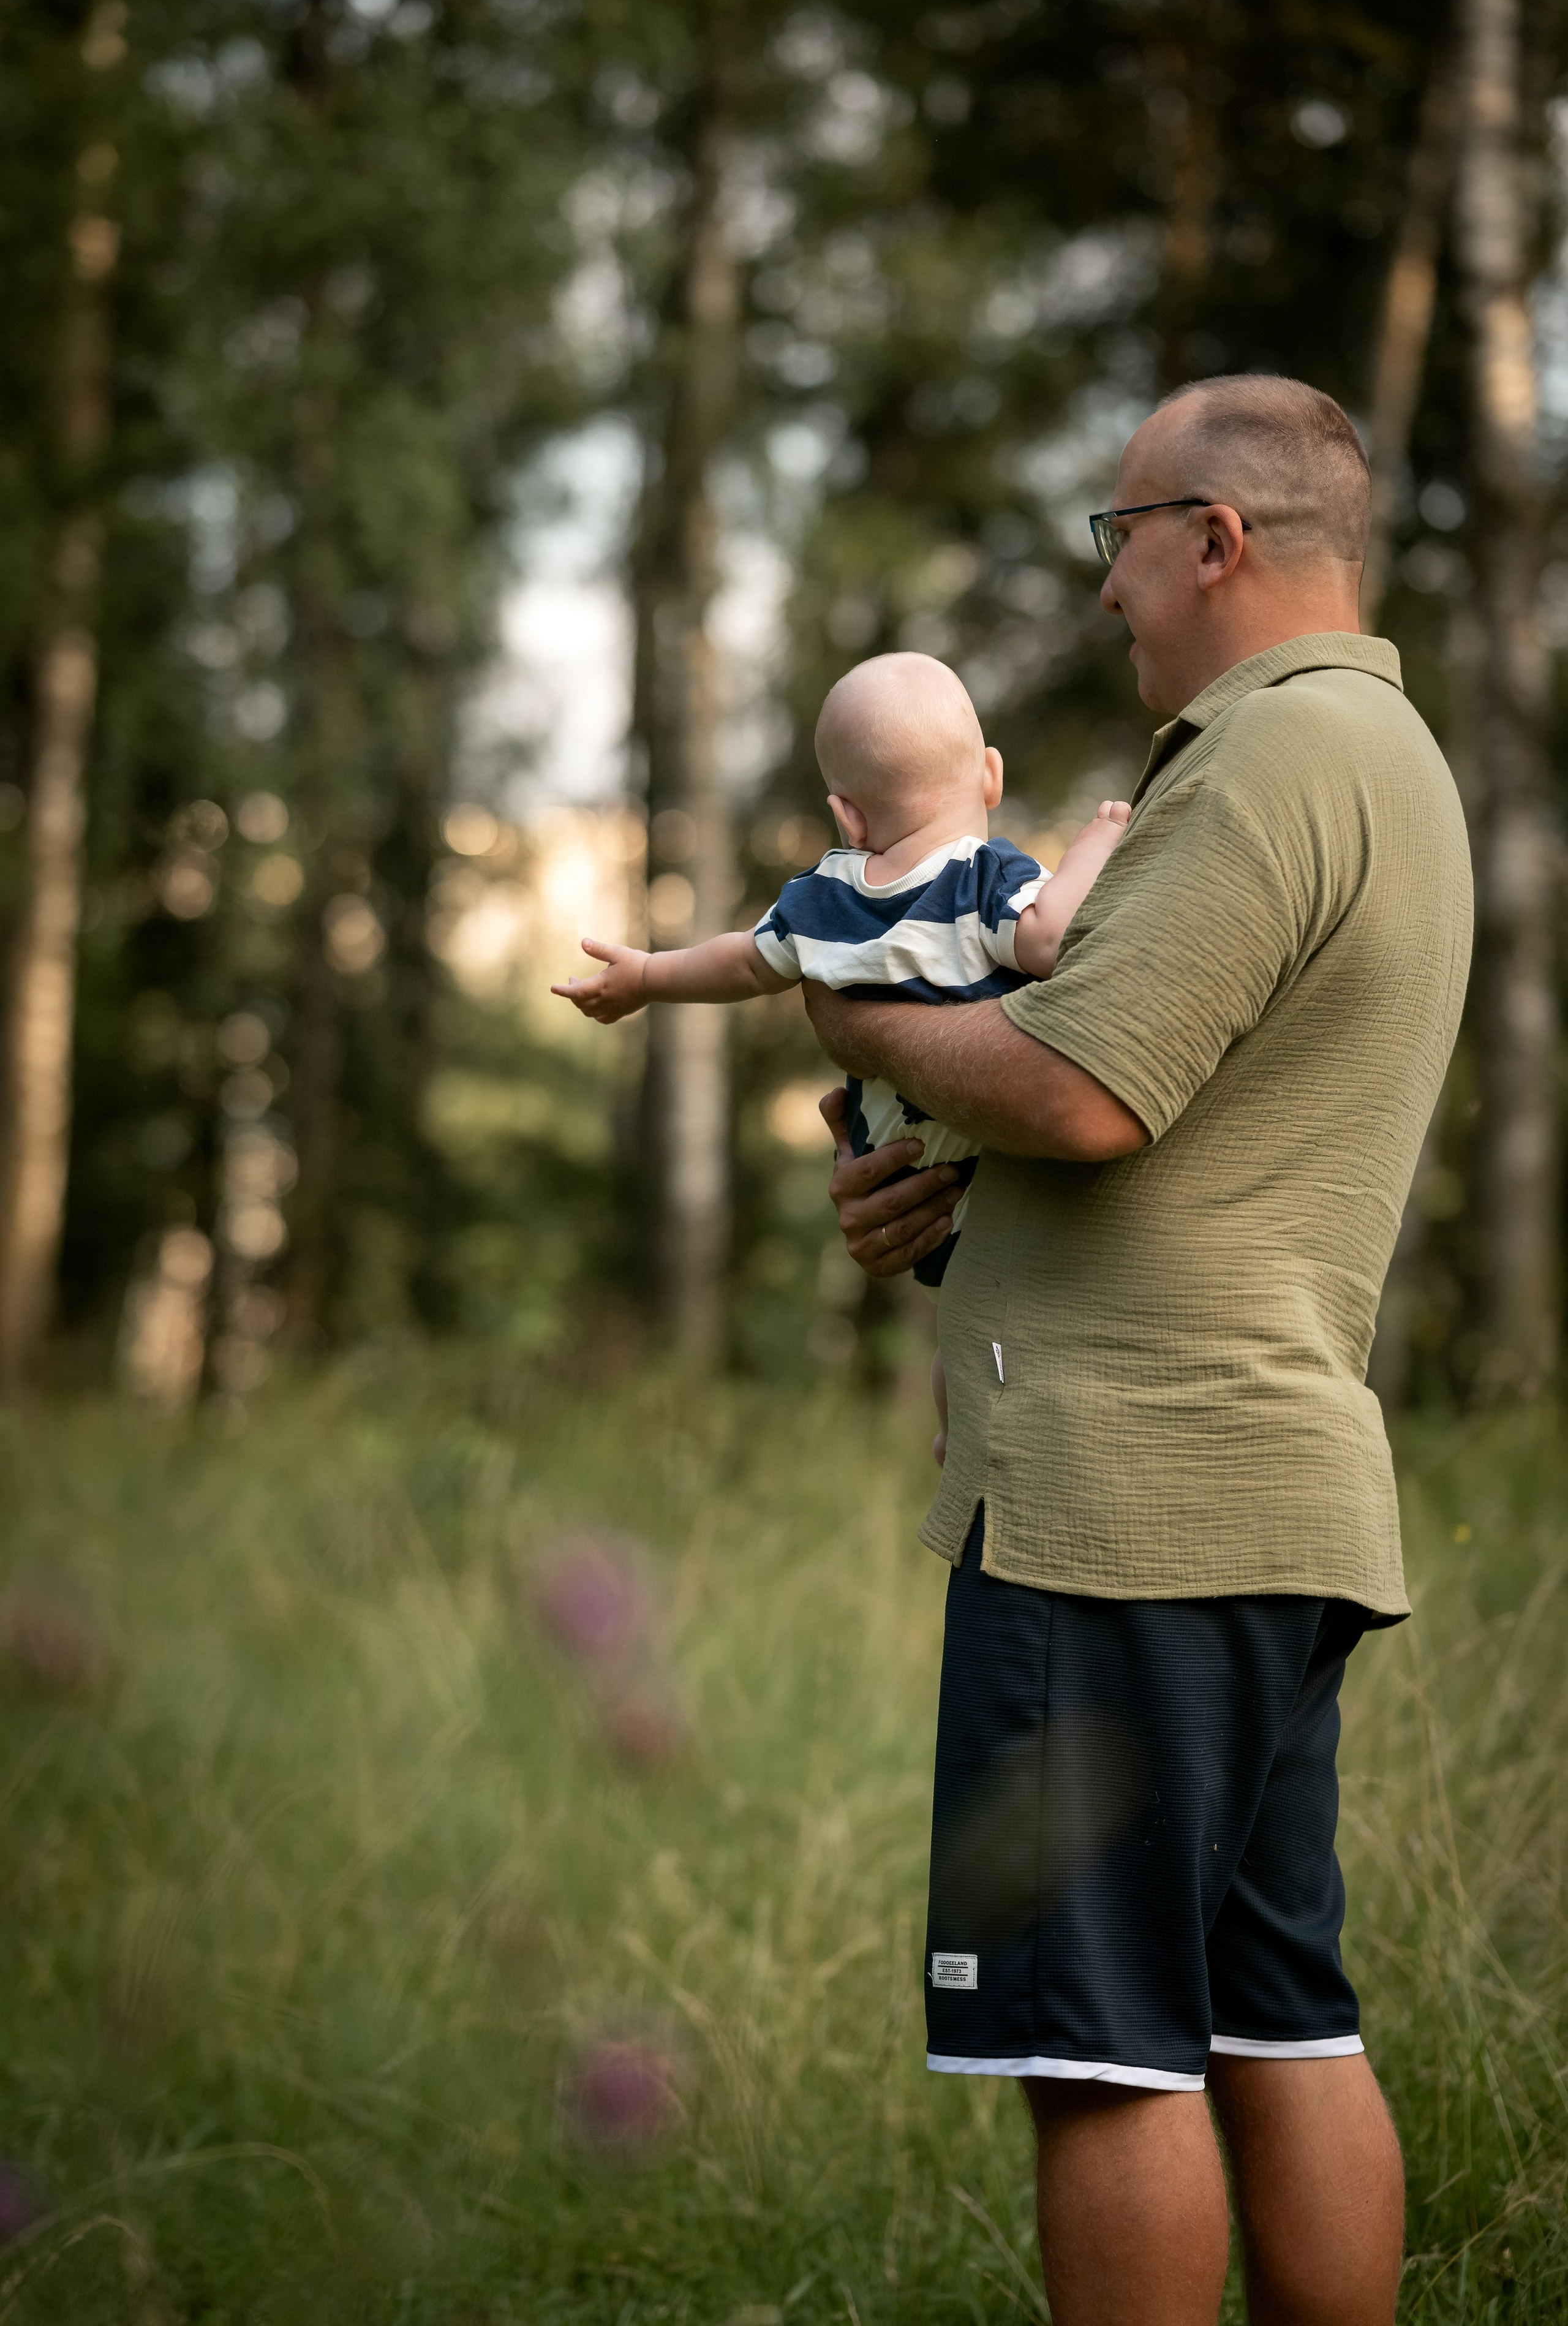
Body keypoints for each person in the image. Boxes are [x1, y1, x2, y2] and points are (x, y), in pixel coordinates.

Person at [805, 374, 1472, 2326]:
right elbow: (1175, 1148)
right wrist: (938, 1219)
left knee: (1099, 2053)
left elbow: (1083, 1088)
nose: (1105, 596)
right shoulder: (1380, 756)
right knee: (1279, 2017)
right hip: (1254, 1494)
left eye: (1118, 541)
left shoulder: (1269, 761)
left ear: (1215, 536)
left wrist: (860, 1024)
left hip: (1122, 1509)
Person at [553, 654, 1129, 1424]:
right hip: (996, 1169)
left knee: (959, 1325)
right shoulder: (982, 879)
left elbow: (744, 963)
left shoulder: (822, 899)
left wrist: (651, 975)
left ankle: (952, 1441)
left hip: (901, 1180)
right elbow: (1050, 938)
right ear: (989, 776)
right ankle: (968, 1438)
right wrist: (1100, 839)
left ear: (848, 815)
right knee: (1013, 1319)